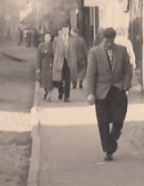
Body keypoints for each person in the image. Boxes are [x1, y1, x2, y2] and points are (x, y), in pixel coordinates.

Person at [86, 27, 133, 162]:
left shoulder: (122, 50)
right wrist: (90, 93)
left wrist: (126, 83)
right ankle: (108, 150)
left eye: (111, 41)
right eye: (107, 41)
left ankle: (115, 133)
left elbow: (128, 70)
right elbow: (91, 74)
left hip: (118, 89)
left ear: (114, 39)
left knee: (119, 117)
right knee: (103, 122)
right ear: (102, 39)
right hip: (101, 92)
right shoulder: (94, 52)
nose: (109, 44)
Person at [52, 25, 77, 102]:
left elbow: (73, 51)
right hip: (59, 61)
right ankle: (60, 92)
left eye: (67, 30)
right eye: (64, 30)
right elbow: (54, 50)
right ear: (62, 31)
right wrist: (56, 60)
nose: (66, 31)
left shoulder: (72, 40)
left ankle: (66, 96)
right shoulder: (56, 39)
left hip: (68, 62)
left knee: (68, 79)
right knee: (59, 79)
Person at [36, 33, 54, 101]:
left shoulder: (52, 45)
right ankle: (46, 92)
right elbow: (38, 57)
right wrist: (37, 67)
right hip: (43, 65)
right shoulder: (40, 46)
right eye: (46, 37)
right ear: (44, 38)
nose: (47, 39)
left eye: (49, 37)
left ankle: (49, 95)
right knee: (44, 80)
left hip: (50, 64)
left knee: (50, 80)